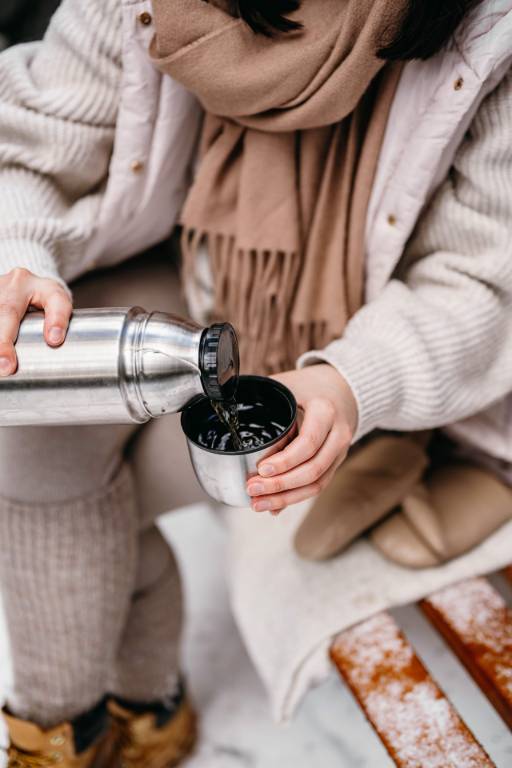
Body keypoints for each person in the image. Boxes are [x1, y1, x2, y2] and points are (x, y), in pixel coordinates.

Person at [0, 0, 511, 765]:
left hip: (383, 344)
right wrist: (19, 254)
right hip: (193, 286)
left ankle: (100, 730)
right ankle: (98, 722)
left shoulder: (491, 32)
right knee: (41, 450)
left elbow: (481, 280)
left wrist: (349, 384)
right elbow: (30, 143)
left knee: (88, 501)